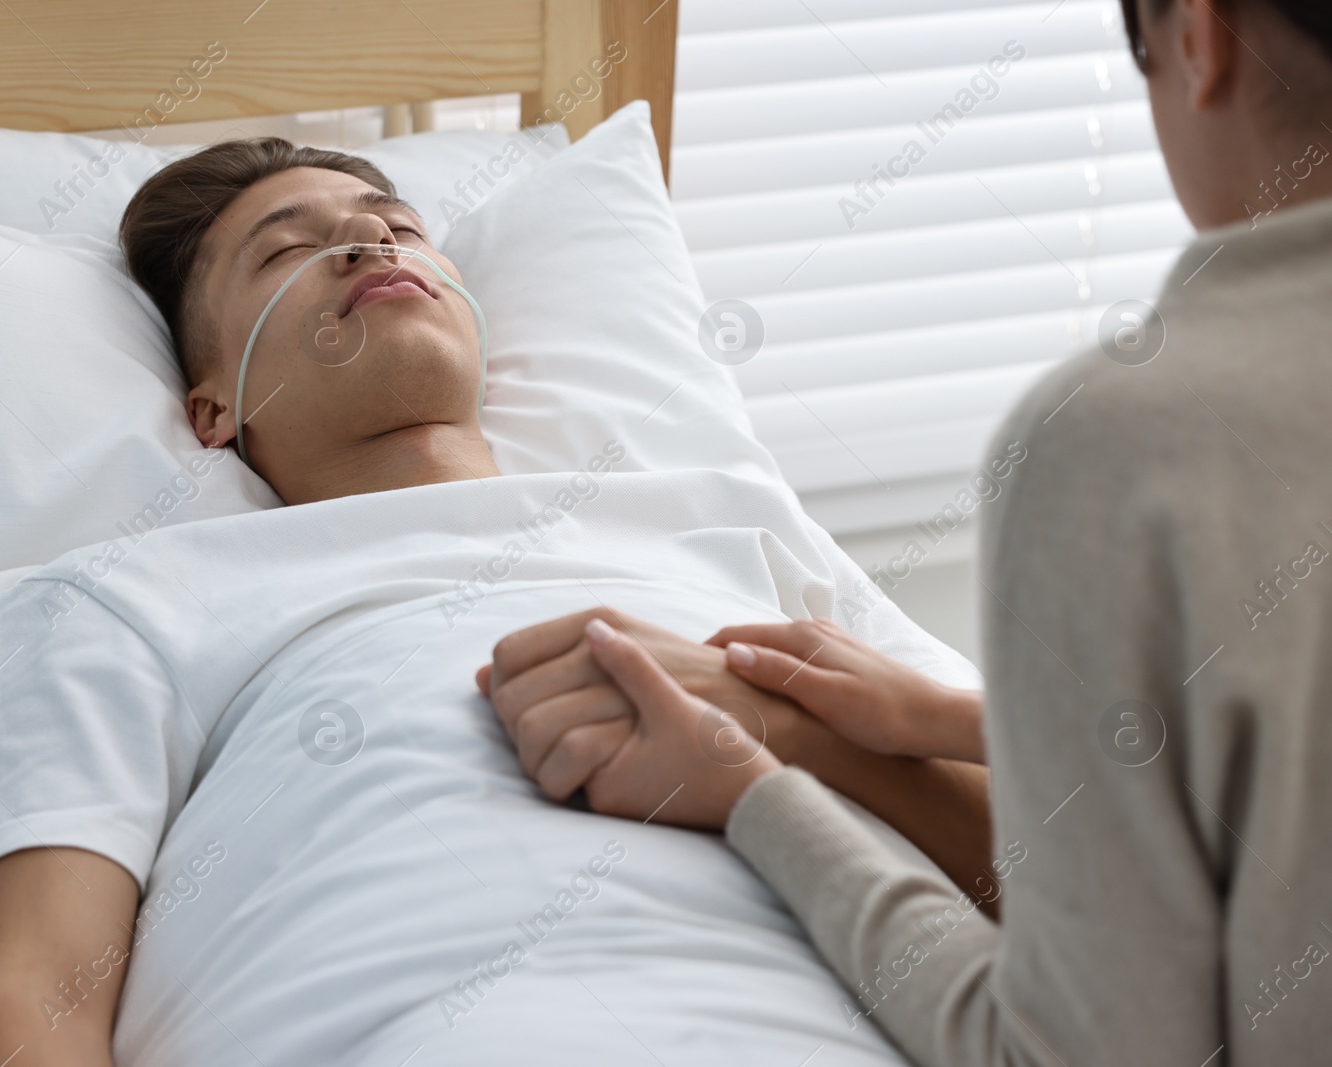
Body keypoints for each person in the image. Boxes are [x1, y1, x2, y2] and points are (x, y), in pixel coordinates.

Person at [0, 139, 994, 1066]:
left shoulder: (725, 523)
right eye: (287, 248)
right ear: (214, 406)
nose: (369, 243)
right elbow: (31, 997)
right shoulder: (132, 598)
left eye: (400, 226)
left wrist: (781, 737)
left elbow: (1069, 883)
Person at [478, 1, 1332, 1064]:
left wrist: (756, 788)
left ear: (1200, 40)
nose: (368, 246)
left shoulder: (1128, 448)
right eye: (285, 241)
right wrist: (946, 716)